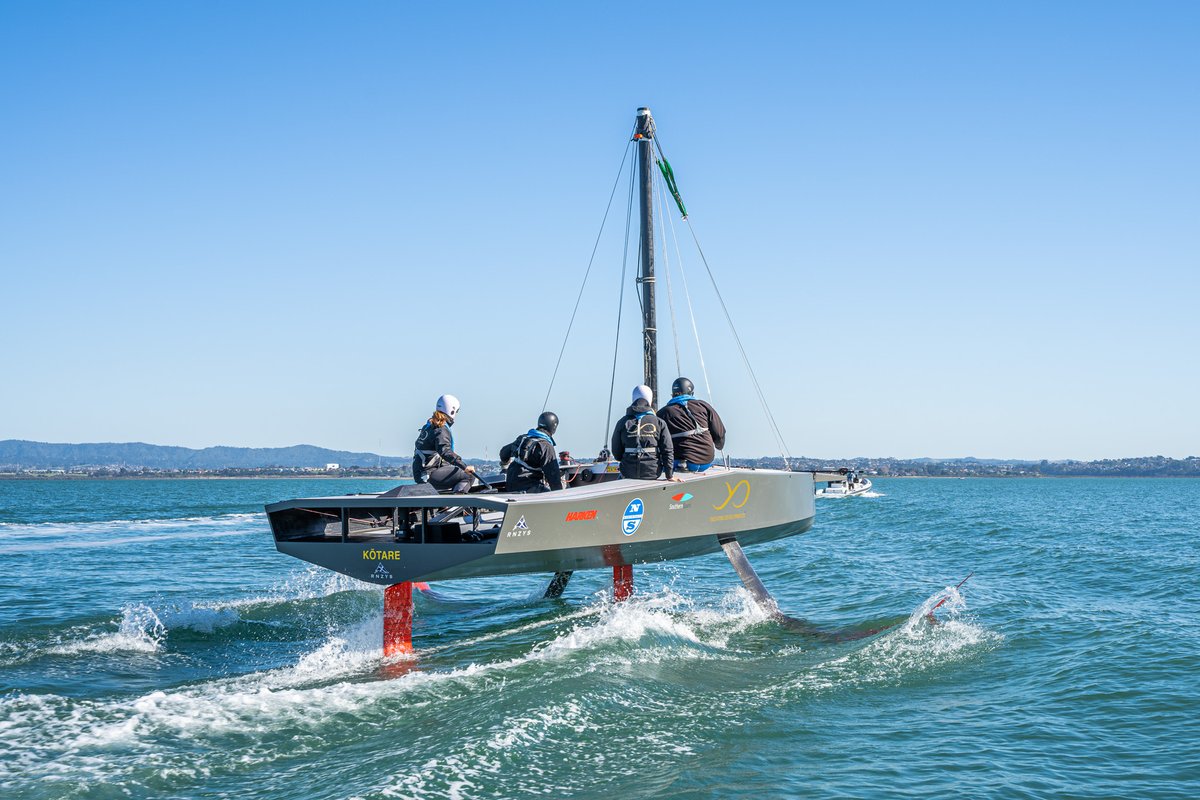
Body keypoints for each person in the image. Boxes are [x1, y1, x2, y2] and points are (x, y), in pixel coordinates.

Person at [657, 377, 726, 473]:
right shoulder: (704, 406)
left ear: (672, 395)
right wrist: (719, 446)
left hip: (676, 463)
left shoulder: (663, 413)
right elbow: (719, 434)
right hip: (705, 461)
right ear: (692, 393)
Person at [611, 384, 679, 481]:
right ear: (650, 400)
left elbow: (616, 453)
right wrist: (669, 475)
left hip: (628, 473)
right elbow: (667, 450)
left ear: (633, 399)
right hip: (652, 473)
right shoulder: (659, 422)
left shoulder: (622, 422)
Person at [412, 394, 475, 493]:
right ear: (452, 411)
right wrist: (464, 466)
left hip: (422, 473)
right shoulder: (440, 429)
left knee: (455, 472)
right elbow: (445, 452)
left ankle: (443, 503)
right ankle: (455, 505)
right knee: (469, 476)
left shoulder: (430, 425)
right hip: (429, 474)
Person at [499, 411, 563, 493]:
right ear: (554, 427)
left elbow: (503, 453)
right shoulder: (546, 446)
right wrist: (560, 495)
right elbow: (554, 478)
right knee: (549, 493)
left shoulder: (523, 438)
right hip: (528, 488)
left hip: (510, 485)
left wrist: (505, 466)